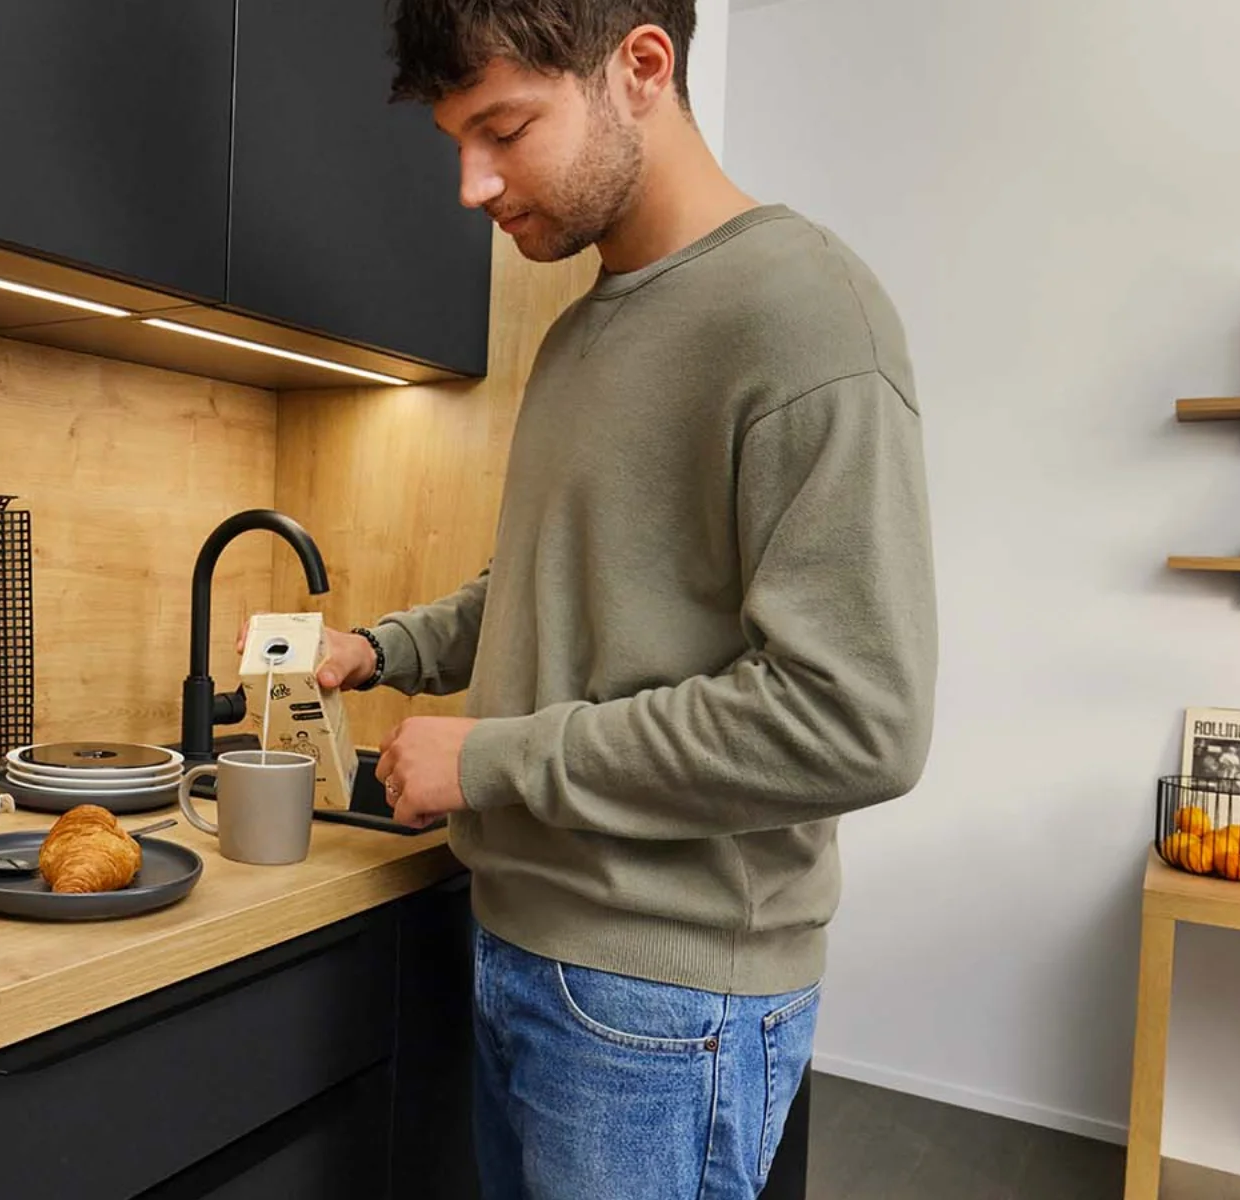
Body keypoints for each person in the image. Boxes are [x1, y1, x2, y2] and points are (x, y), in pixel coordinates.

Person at [303, 3, 940, 1196]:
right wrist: (378, 649)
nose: (472, 185)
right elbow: (550, 588)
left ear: (642, 67)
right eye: (456, 141)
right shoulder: (582, 329)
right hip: (526, 954)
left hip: (662, 1006)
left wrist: (489, 763)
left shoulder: (803, 316)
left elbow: (855, 717)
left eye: (502, 129)